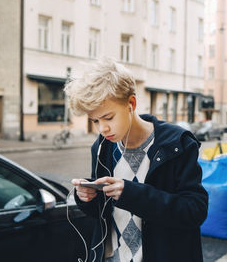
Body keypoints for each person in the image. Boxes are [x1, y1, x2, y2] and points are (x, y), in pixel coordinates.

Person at [64, 57, 208, 262]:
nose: (102, 128)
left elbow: (195, 211)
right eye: (95, 120)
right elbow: (103, 213)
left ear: (131, 103)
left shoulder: (177, 143)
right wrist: (87, 197)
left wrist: (132, 193)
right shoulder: (102, 147)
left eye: (108, 117)